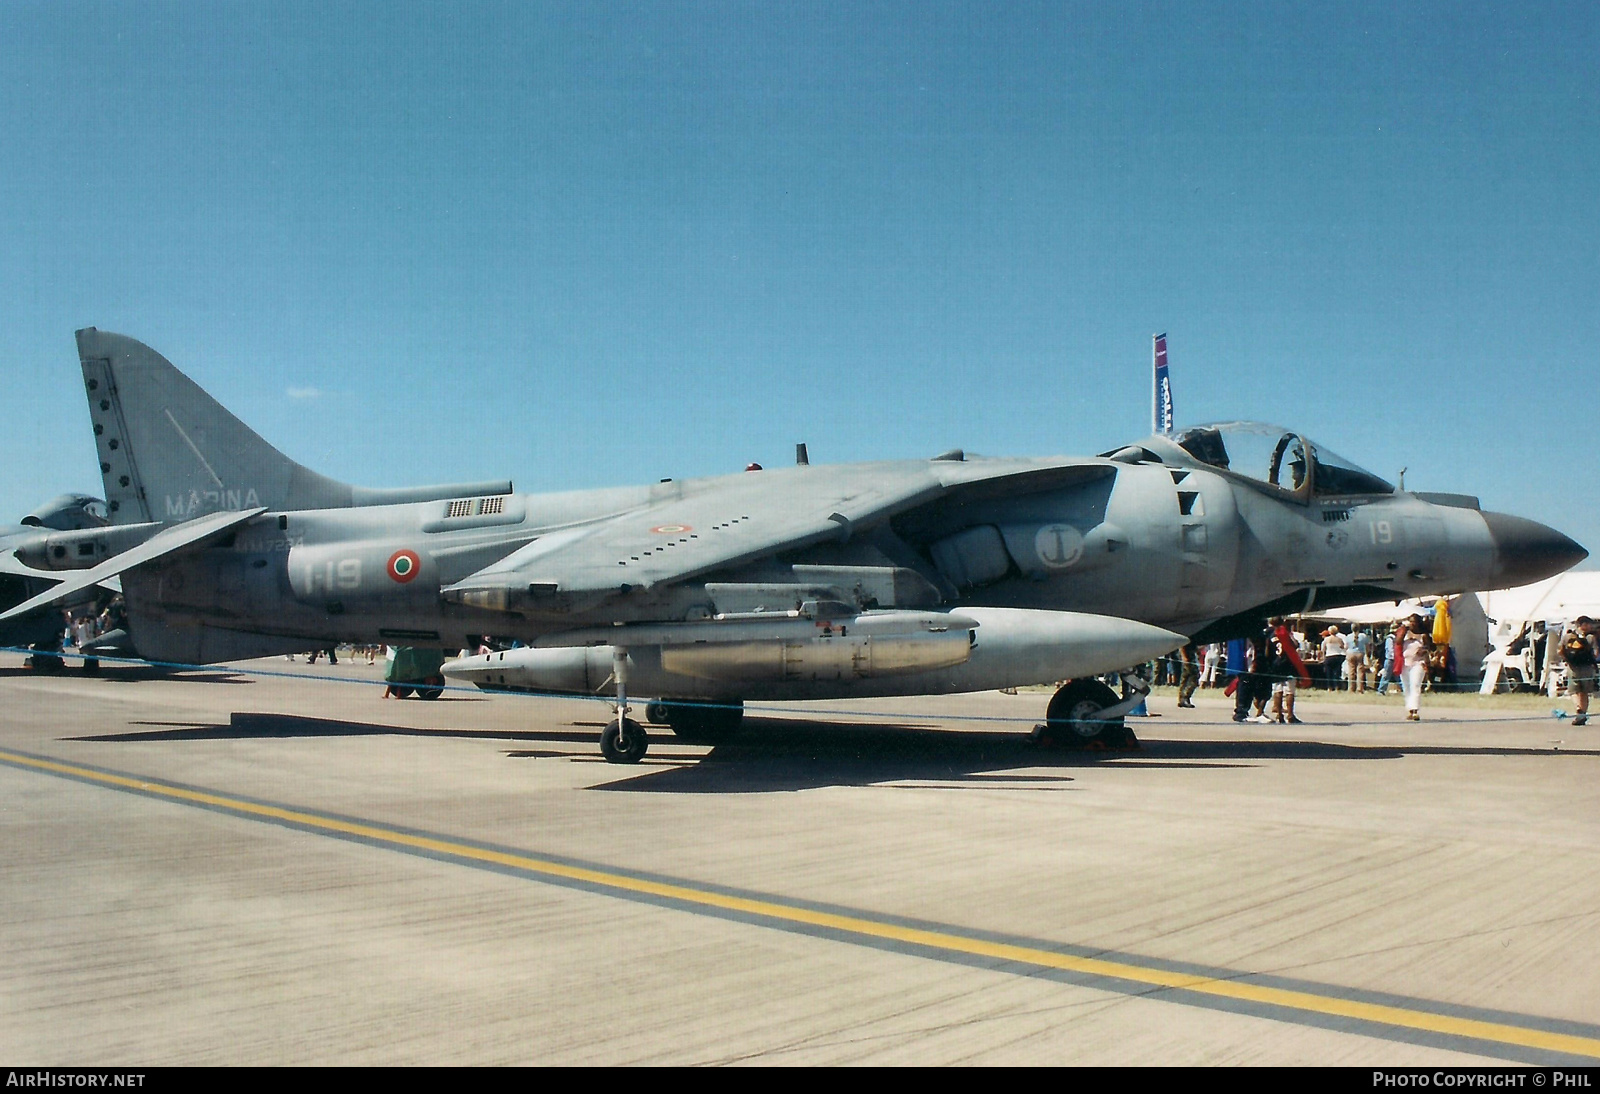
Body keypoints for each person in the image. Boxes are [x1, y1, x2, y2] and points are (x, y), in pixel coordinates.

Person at [1559, 616, 1597, 726]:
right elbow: (1595, 653)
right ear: (1583, 625)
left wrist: (1567, 659)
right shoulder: (1591, 638)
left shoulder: (1568, 636)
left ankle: (1579, 710)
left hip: (1573, 667)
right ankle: (1582, 713)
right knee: (1584, 692)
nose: (1591, 626)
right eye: (1589, 624)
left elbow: (1560, 650)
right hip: (1587, 667)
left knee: (1573, 691)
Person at [1396, 615, 1431, 721]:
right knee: (1406, 687)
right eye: (1410, 622)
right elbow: (1398, 642)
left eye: (1414, 622)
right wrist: (1404, 630)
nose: (1412, 624)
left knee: (1415, 685)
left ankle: (1415, 710)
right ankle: (1409, 710)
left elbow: (1430, 646)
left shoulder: (1423, 635)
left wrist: (1424, 650)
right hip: (1405, 664)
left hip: (1418, 663)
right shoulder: (1404, 634)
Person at [1321, 625, 1348, 691]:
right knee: (1337, 672)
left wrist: (1323, 657)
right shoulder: (1339, 639)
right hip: (1338, 656)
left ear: (1329, 632)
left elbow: (1323, 649)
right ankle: (1337, 687)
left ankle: (1329, 687)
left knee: (1329, 672)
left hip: (1329, 656)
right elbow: (1343, 647)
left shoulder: (1327, 639)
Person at [1175, 643, 1199, 708]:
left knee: (1185, 678)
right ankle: (1185, 697)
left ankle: (1182, 699)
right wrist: (1184, 656)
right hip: (1188, 658)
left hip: (1190, 657)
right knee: (1194, 678)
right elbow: (1182, 645)